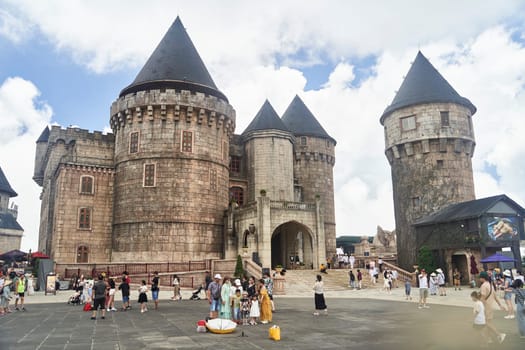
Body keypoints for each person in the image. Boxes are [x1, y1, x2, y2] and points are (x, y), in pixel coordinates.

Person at [479, 271, 506, 343]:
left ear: (482, 278)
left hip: (486, 307)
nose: (479, 279)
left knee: (487, 323)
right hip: (490, 306)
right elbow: (495, 296)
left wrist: (481, 307)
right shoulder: (490, 285)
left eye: (480, 277)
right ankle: (489, 339)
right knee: (488, 323)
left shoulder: (484, 286)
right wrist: (500, 305)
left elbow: (482, 298)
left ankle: (499, 334)